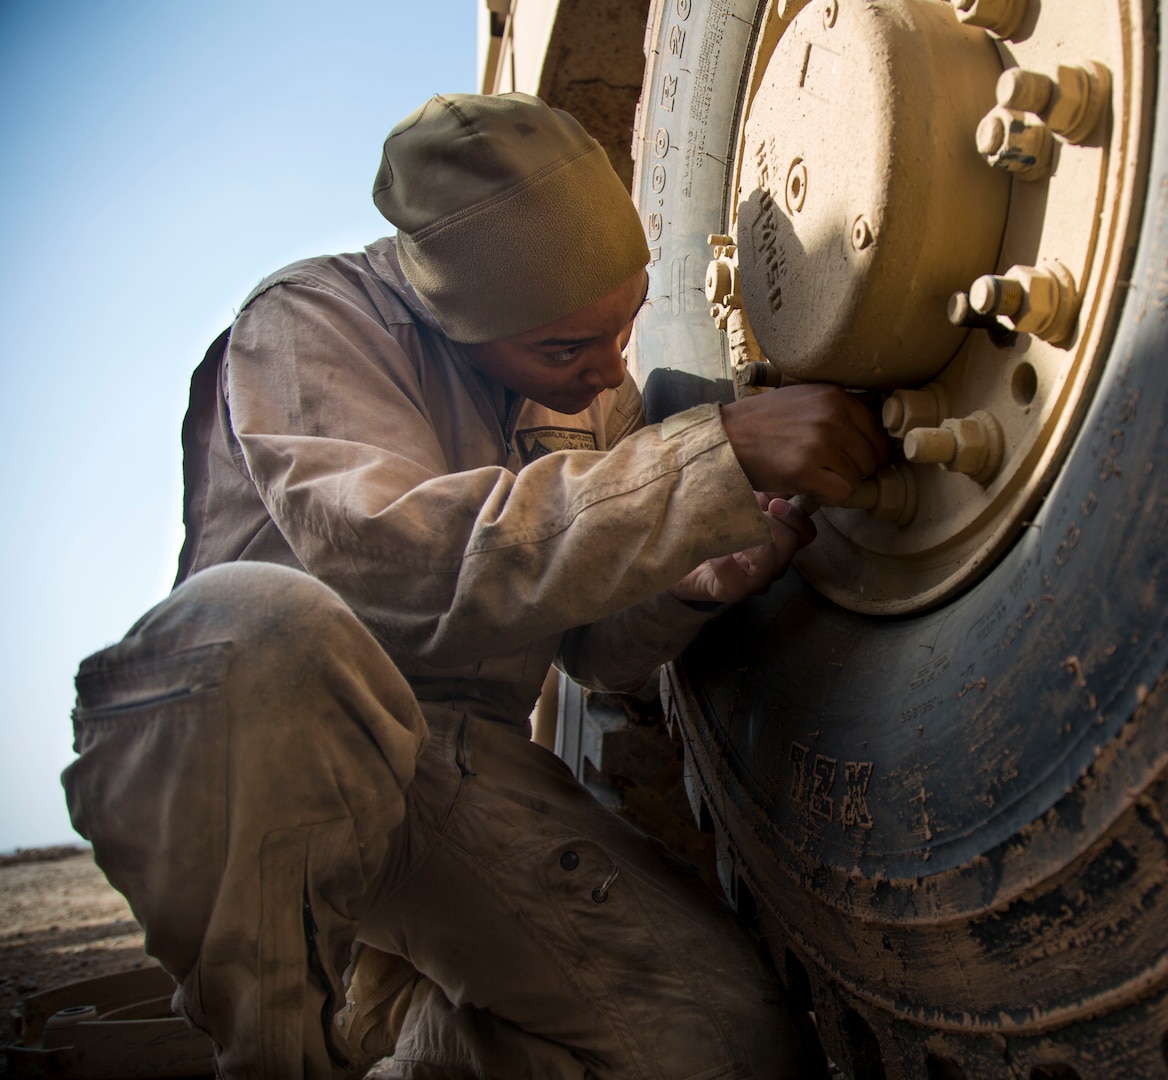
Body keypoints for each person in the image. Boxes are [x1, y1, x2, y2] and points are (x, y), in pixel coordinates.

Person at [61, 92, 887, 1078]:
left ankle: (426, 1052)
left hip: (454, 762)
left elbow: (592, 653)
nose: (605, 373)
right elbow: (398, 564)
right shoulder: (307, 325)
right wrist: (704, 462)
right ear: (454, 316)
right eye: (564, 350)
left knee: (718, 1046)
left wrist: (699, 576)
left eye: (623, 326)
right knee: (261, 628)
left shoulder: (596, 384)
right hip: (274, 739)